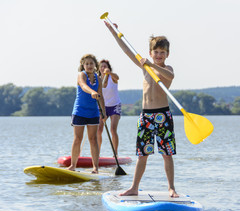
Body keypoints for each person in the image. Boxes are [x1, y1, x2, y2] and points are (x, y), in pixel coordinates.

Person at [105, 22, 179, 197]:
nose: (159, 55)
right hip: (146, 116)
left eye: (162, 52)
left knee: (167, 154)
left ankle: (171, 188)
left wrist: (152, 66)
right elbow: (126, 50)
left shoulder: (167, 69)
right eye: (156, 52)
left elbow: (170, 76)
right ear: (150, 53)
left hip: (163, 115)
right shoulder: (144, 67)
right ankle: (134, 188)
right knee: (142, 155)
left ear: (167, 54)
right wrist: (114, 31)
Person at [67, 54, 107, 173]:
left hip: (93, 112)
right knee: (77, 139)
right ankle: (73, 165)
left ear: (95, 65)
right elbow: (83, 86)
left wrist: (103, 112)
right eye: (87, 64)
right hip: (80, 111)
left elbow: (100, 97)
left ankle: (95, 168)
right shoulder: (81, 75)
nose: (89, 66)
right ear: (83, 65)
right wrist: (92, 92)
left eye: (91, 63)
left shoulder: (98, 78)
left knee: (93, 139)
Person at [97, 59, 121, 156]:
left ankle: (115, 153)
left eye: (105, 66)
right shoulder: (97, 79)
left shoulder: (112, 77)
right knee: (99, 130)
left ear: (108, 68)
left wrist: (109, 73)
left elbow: (117, 77)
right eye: (101, 66)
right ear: (99, 68)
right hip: (103, 107)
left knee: (112, 129)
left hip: (115, 105)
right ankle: (97, 152)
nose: (103, 68)